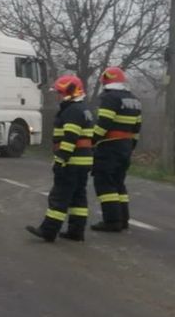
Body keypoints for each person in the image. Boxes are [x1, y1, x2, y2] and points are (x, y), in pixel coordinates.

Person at [26, 74, 94, 242]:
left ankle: (48, 231)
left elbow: (70, 138)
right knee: (78, 197)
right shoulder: (84, 109)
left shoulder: (72, 111)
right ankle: (76, 231)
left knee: (59, 196)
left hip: (71, 161)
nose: (57, 96)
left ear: (70, 92)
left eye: (59, 93)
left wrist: (61, 160)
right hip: (83, 161)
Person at [90, 66, 143, 232]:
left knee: (105, 183)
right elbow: (137, 127)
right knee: (118, 182)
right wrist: (131, 146)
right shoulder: (134, 100)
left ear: (105, 82)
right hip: (126, 145)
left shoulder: (109, 98)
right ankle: (123, 219)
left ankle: (112, 221)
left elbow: (104, 123)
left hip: (109, 145)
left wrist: (92, 140)